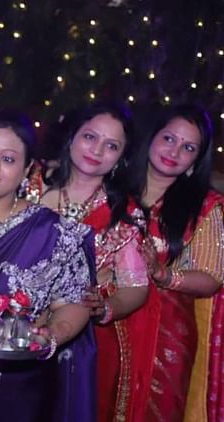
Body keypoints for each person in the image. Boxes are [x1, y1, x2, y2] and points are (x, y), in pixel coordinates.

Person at [0, 112, 96, 422]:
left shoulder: (54, 234)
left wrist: (52, 333)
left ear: (27, 170)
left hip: (13, 392)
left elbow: (74, 302)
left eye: (8, 159)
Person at [26, 104, 150, 422]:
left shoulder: (124, 214)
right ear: (72, 136)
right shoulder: (29, 181)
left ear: (121, 157)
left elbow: (135, 287)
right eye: (90, 137)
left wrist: (105, 308)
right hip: (9, 321)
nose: (97, 150)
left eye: (111, 145)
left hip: (76, 339)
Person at [126, 105, 224, 422]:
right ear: (152, 137)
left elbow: (211, 277)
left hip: (166, 338)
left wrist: (163, 274)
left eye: (188, 147)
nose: (174, 151)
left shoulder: (204, 207)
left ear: (196, 161)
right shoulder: (113, 187)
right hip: (104, 324)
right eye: (169, 138)